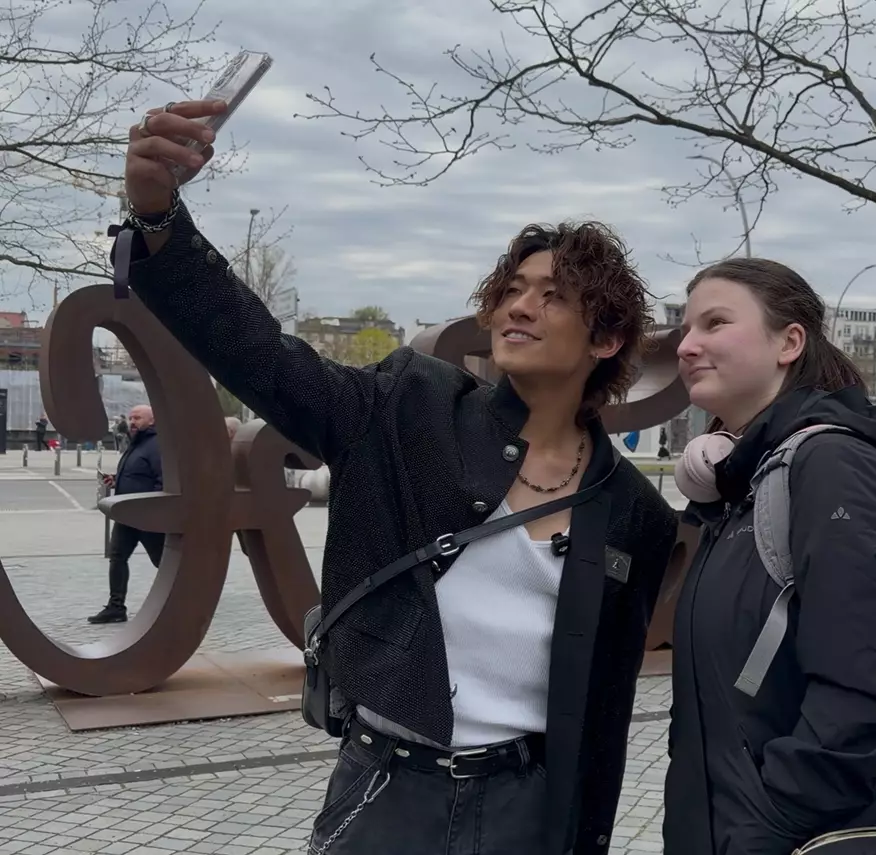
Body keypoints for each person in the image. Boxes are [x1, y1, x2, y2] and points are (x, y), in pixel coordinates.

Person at [117, 98, 678, 855]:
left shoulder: (632, 510)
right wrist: (157, 217)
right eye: (513, 289)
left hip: (525, 805)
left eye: (553, 296)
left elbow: (605, 704)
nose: (519, 306)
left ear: (606, 339)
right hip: (384, 788)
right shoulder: (406, 406)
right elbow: (260, 354)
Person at [665, 258, 876, 855]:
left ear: (789, 343)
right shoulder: (745, 480)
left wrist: (766, 824)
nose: (686, 346)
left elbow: (865, 702)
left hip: (799, 836)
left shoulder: (834, 468)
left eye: (714, 323)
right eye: (685, 329)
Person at [89, 404, 164, 624]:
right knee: (117, 557)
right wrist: (116, 479)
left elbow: (163, 480)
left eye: (137, 418)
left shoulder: (157, 445)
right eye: (131, 418)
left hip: (147, 517)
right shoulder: (135, 443)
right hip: (127, 516)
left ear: (152, 421)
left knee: (163, 561)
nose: (132, 422)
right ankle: (116, 607)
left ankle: (190, 596)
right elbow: (137, 474)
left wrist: (152, 510)